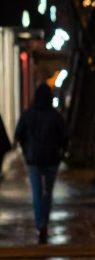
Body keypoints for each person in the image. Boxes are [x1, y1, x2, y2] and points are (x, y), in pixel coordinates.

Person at [14, 82, 68, 243]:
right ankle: (45, 220)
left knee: (37, 192)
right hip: (51, 158)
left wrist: (26, 151)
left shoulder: (28, 114)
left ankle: (40, 223)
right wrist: (61, 153)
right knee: (48, 193)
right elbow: (64, 137)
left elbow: (19, 134)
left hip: (34, 158)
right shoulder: (55, 116)